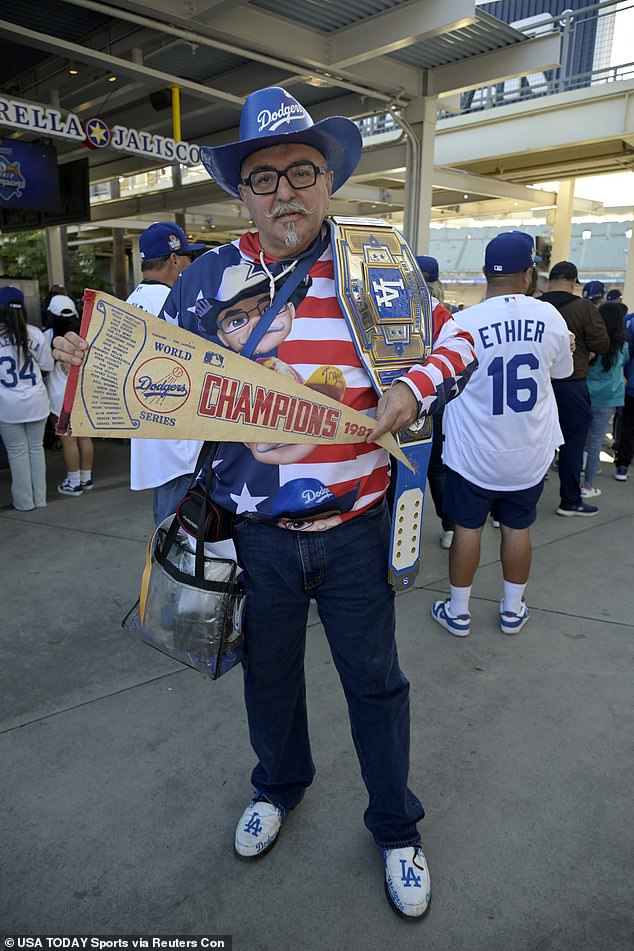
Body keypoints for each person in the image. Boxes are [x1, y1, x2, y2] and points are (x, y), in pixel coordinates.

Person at [53, 85, 478, 920]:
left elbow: (456, 334)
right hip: (258, 534)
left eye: (303, 170)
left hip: (356, 528)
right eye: (265, 176)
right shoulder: (211, 277)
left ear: (329, 180)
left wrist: (412, 391)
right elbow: (146, 376)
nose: (286, 190)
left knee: (376, 684)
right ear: (242, 192)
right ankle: (279, 786)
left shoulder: (378, 263)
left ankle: (396, 826)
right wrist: (83, 361)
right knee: (270, 678)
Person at [430, 232, 573, 638]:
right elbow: (562, 373)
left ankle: (458, 612)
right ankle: (512, 610)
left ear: (484, 274)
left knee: (467, 529)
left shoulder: (462, 323)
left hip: (474, 453)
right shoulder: (550, 317)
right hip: (529, 451)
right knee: (517, 528)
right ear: (528, 274)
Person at [127, 221, 207, 525]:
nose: (189, 265)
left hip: (151, 433)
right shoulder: (174, 302)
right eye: (187, 258)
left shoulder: (131, 302)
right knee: (182, 534)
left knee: (167, 524)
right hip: (181, 439)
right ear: (174, 259)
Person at [540, 261, 609, 516]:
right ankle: (570, 500)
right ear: (572, 282)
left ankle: (512, 505)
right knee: (572, 443)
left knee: (533, 441)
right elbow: (601, 343)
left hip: (538, 383)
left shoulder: (535, 304)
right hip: (572, 384)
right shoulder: (583, 308)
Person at [0, 285, 53, 510]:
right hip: (37, 402)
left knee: (17, 454)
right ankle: (40, 499)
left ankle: (24, 502)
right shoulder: (36, 333)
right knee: (35, 450)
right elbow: (48, 365)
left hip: (8, 407)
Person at [415, 255, 455, 549]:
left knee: (397, 467)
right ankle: (450, 526)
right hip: (437, 398)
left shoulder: (392, 309)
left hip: (398, 397)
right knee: (438, 468)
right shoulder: (448, 314)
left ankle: (395, 535)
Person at [44, 295, 95, 496]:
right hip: (82, 390)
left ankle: (73, 482)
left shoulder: (48, 336)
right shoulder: (85, 332)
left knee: (68, 439)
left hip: (58, 393)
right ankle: (86, 478)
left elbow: (46, 365)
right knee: (85, 437)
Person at [582, 301, 628, 497]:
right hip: (609, 398)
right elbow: (622, 363)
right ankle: (588, 486)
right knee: (595, 444)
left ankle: (580, 470)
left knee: (582, 440)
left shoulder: (592, 341)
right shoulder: (622, 344)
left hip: (587, 393)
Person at [613, 305, 634, 481]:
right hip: (631, 385)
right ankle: (623, 464)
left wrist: (625, 376)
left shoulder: (630, 322)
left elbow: (626, 355)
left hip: (631, 384)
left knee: (628, 425)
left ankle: (623, 465)